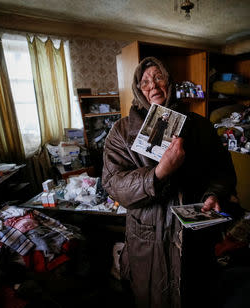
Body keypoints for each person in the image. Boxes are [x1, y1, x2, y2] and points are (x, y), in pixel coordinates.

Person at [102, 57, 237, 308]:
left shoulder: (200, 127)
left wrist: (214, 194)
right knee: (152, 297)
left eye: (158, 78)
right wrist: (158, 173)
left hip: (194, 237)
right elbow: (113, 184)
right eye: (144, 82)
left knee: (196, 294)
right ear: (137, 90)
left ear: (170, 82)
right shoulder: (121, 132)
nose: (152, 86)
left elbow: (221, 171)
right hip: (147, 239)